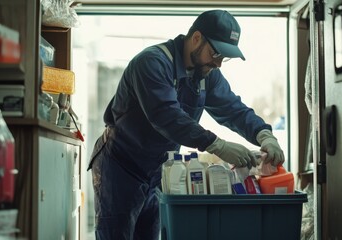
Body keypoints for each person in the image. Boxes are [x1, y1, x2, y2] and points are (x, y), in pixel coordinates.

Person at [88, 9, 285, 240]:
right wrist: (217, 144)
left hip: (156, 174)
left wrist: (264, 134)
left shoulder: (206, 75)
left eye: (224, 57)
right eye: (216, 53)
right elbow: (167, 116)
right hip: (120, 168)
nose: (219, 63)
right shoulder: (152, 63)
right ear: (196, 39)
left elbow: (233, 109)